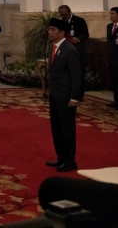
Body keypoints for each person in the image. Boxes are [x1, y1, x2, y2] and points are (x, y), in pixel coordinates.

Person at [45, 18, 83, 173]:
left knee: (67, 129)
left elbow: (76, 75)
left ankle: (70, 161)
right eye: (49, 29)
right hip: (55, 94)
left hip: (66, 96)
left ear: (62, 33)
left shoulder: (70, 50)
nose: (49, 32)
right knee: (56, 128)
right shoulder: (52, 47)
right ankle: (61, 157)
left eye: (53, 30)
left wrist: (74, 97)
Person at [59, 5, 89, 97]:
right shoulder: (61, 22)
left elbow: (86, 34)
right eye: (61, 15)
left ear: (69, 12)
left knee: (78, 73)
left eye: (65, 14)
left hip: (77, 50)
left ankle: (78, 94)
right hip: (66, 51)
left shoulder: (79, 20)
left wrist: (78, 39)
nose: (64, 16)